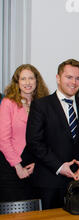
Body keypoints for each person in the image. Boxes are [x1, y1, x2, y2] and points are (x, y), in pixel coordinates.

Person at [26, 59, 79, 209]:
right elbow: (34, 142)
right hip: (49, 183)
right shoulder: (41, 105)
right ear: (58, 78)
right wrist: (59, 166)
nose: (74, 82)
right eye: (69, 77)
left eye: (78, 78)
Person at [0, 64, 49, 202]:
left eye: (31, 78)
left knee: (35, 215)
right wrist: (18, 166)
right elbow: (3, 139)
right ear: (17, 82)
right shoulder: (8, 102)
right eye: (23, 79)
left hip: (36, 165)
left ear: (37, 81)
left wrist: (38, 164)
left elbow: (47, 137)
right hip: (11, 165)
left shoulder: (44, 104)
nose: (27, 83)